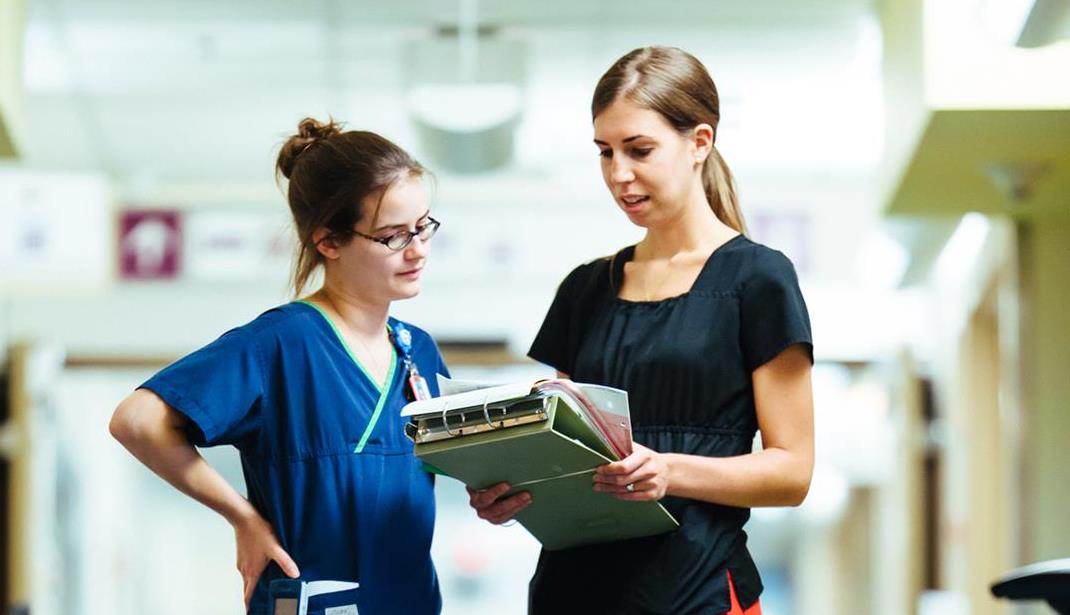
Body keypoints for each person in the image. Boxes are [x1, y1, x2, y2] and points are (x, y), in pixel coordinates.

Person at [468, 46, 815, 615]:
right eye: (605, 152)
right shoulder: (585, 289)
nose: (618, 174)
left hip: (697, 591)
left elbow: (792, 472)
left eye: (639, 150)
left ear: (699, 142)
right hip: (572, 593)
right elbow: (563, 451)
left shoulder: (757, 280)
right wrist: (513, 491)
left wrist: (669, 470)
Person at [109, 118, 448, 615]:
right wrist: (241, 517)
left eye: (423, 226)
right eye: (393, 236)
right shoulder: (281, 344)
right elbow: (136, 420)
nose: (417, 249)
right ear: (328, 241)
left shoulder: (418, 351)